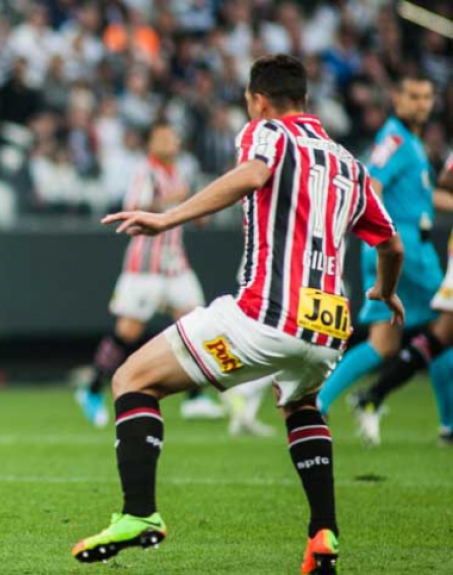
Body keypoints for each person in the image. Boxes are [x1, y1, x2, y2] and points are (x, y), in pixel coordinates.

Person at [71, 55, 404, 575]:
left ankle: (140, 513)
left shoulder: (267, 132)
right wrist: (384, 292)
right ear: (307, 99)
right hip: (328, 327)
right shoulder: (348, 164)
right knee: (302, 406)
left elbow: (252, 175)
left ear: (259, 100)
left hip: (263, 316)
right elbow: (391, 244)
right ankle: (324, 532)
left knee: (132, 379)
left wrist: (167, 218)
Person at [315, 74, 453, 440]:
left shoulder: (410, 142)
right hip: (405, 247)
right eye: (414, 95)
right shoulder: (394, 139)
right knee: (446, 328)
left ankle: (320, 404)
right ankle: (449, 424)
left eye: (426, 96)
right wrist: (378, 234)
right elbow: (371, 184)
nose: (421, 103)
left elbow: (423, 199)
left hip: (394, 244)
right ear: (398, 98)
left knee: (384, 343)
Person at [74, 122, 222, 427]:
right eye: (164, 137)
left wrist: (199, 214)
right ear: (151, 143)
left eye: (173, 136)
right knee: (128, 331)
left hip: (176, 263)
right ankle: (91, 390)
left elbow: (188, 210)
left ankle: (194, 398)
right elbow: (133, 208)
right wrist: (173, 199)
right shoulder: (146, 172)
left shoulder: (178, 172)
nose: (171, 141)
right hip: (146, 266)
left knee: (196, 323)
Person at [352, 152, 453, 446]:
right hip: (403, 245)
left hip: (403, 246)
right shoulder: (396, 141)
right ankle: (367, 395)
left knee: (440, 334)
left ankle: (375, 393)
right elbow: (447, 177)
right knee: (431, 331)